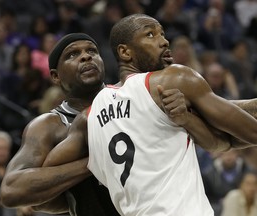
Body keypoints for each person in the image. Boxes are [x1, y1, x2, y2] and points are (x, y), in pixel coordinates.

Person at [42, 14, 257, 216]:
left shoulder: (89, 116)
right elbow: (250, 132)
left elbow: (43, 186)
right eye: (150, 34)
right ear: (125, 53)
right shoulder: (173, 79)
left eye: (162, 33)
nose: (164, 41)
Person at [0, 33, 118, 216]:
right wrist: (95, 161)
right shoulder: (49, 125)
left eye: (92, 51)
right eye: (72, 54)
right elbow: (12, 190)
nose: (86, 56)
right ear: (55, 76)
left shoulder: (129, 97)